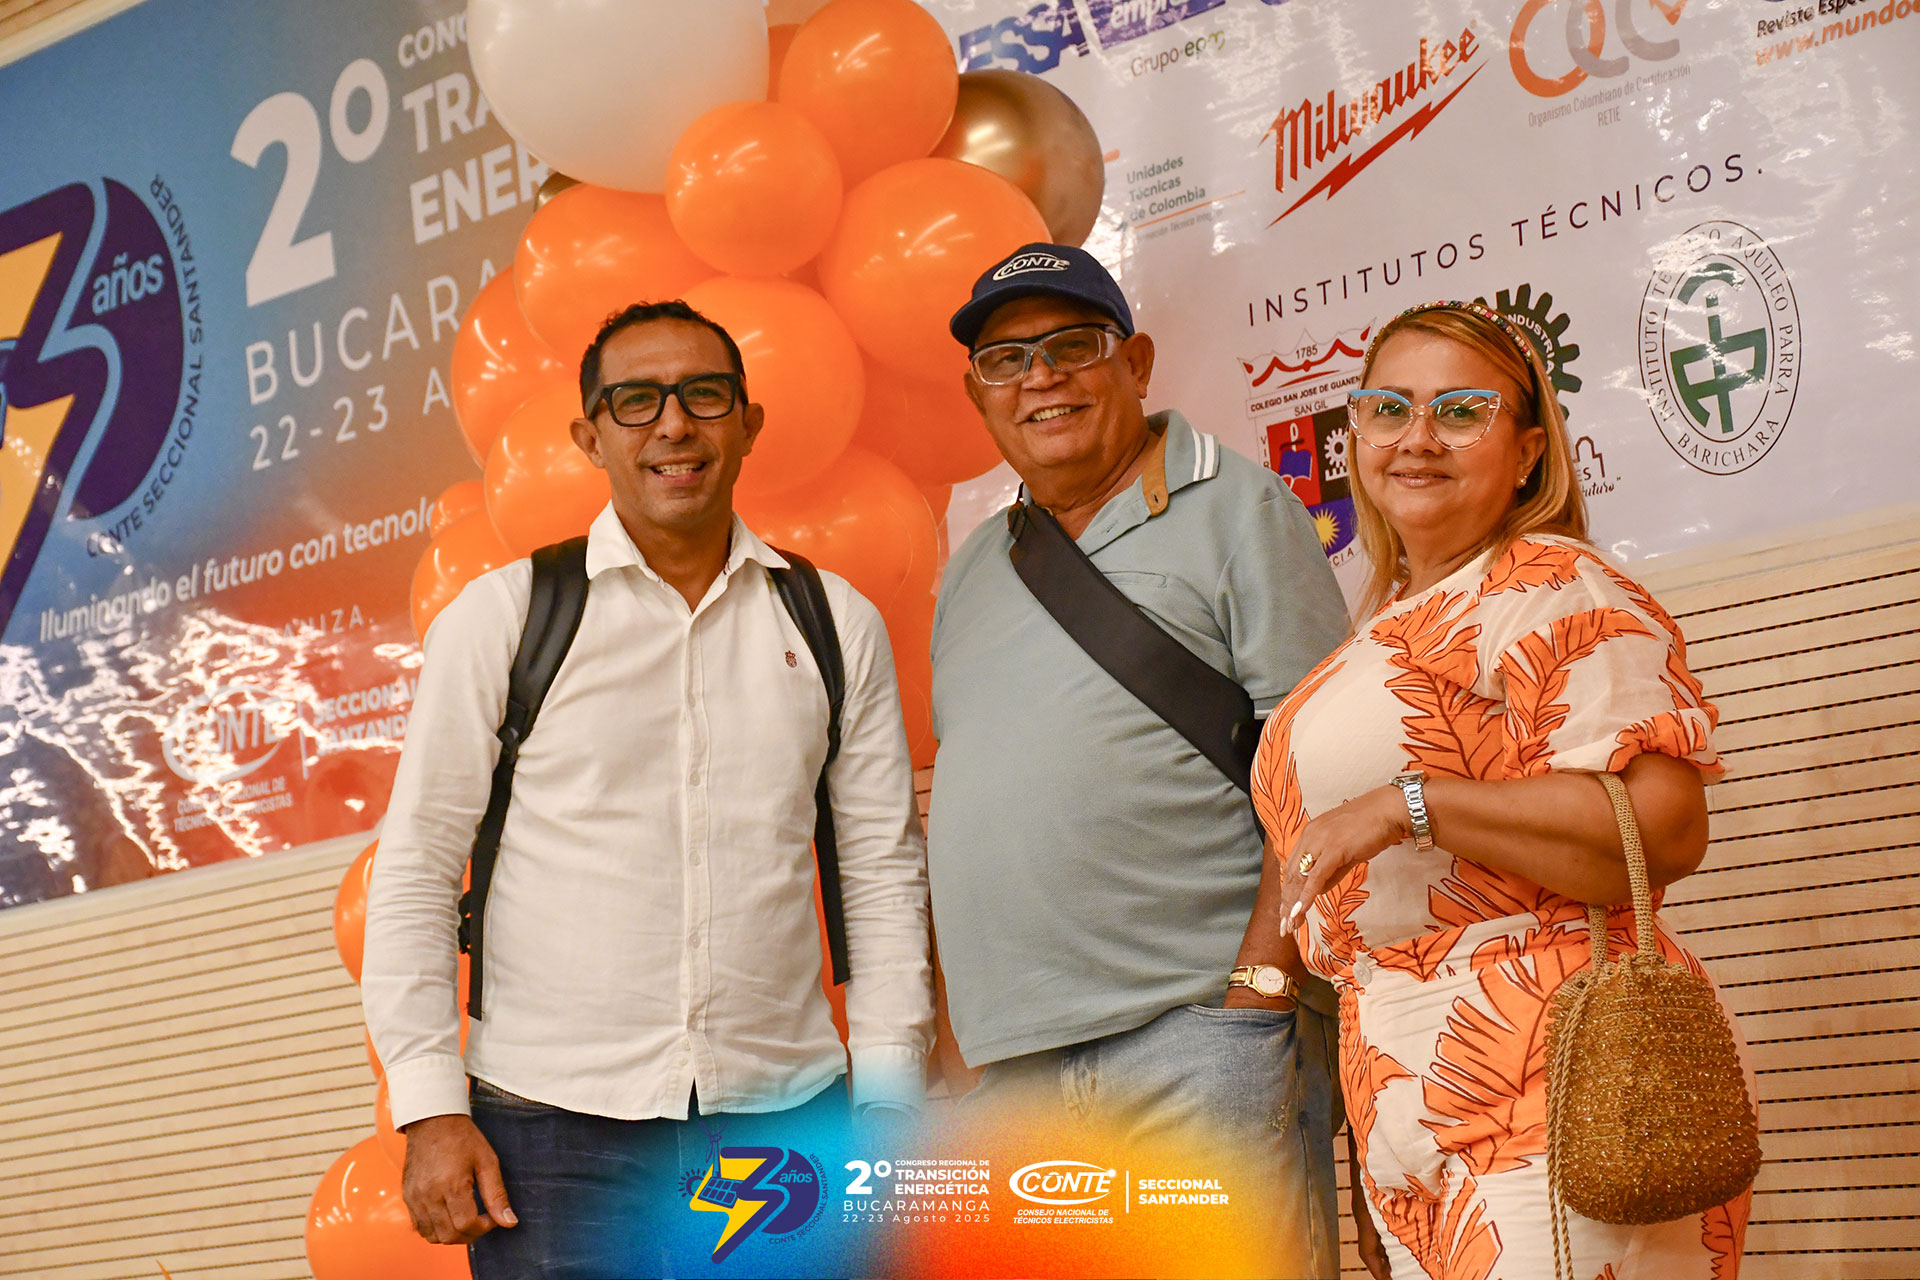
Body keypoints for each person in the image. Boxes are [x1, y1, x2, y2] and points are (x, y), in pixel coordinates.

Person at [361, 300, 934, 1279]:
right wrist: (429, 1107)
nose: (673, 424)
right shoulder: (504, 618)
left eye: (704, 395)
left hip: (783, 1118)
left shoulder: (835, 623)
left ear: (748, 424)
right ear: (590, 437)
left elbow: (881, 875)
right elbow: (416, 866)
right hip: (549, 1130)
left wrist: (888, 1104)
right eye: (636, 401)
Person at [1251, 299, 1750, 1279]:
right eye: (1389, 408)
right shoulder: (1386, 622)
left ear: (1526, 450)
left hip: (1558, 1084)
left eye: (1460, 411)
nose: (1417, 437)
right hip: (1405, 1098)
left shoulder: (1553, 583)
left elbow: (1664, 828)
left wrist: (1411, 803)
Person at [927, 242, 1352, 1277]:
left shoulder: (1241, 505)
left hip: (1196, 1032)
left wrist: (1260, 990)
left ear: (1137, 361)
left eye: (1073, 345)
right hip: (1015, 1073)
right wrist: (956, 1053)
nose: (1041, 377)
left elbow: (1321, 767)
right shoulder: (974, 567)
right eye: (1006, 359)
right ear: (977, 395)